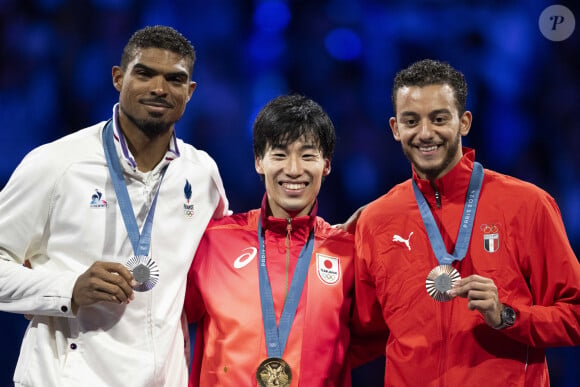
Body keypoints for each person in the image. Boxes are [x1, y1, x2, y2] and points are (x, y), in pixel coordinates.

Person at [0, 25, 229, 386]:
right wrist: (68, 288)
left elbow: (237, 248)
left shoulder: (201, 174)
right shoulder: (57, 163)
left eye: (174, 79)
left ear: (190, 91)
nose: (158, 88)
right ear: (118, 78)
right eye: (144, 73)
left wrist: (340, 233)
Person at [354, 59, 580, 386]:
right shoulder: (375, 220)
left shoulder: (528, 205)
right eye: (411, 120)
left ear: (464, 122)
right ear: (395, 128)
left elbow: (574, 314)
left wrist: (507, 315)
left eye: (439, 118)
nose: (425, 133)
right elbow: (360, 334)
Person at [185, 94, 383, 386]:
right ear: (259, 162)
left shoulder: (347, 253)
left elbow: (373, 336)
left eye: (307, 155)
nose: (293, 169)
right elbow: (162, 314)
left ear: (326, 165)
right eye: (279, 154)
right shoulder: (214, 243)